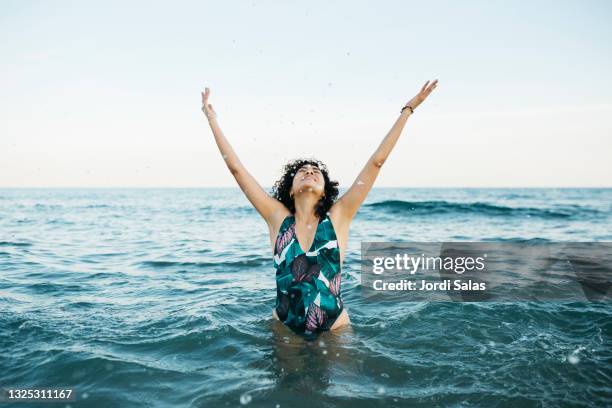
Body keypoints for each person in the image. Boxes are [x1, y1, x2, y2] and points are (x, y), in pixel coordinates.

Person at [201, 80, 438, 335]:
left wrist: (408, 109)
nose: (309, 172)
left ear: (325, 189)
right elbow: (236, 169)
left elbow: (376, 163)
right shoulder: (277, 217)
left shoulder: (339, 216)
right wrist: (212, 119)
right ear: (290, 189)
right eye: (302, 171)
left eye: (315, 172)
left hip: (335, 326)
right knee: (283, 377)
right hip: (285, 327)